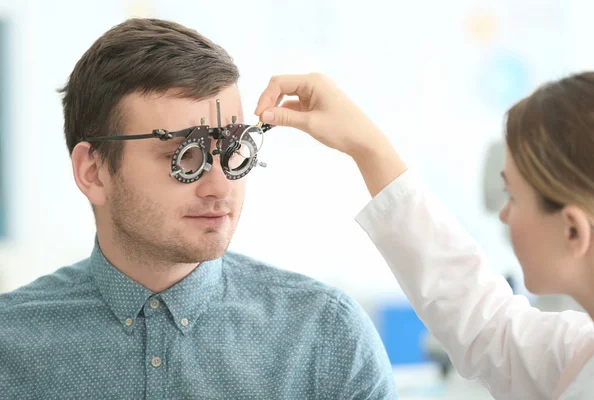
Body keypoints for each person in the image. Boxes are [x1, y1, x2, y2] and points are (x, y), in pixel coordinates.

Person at [0, 19, 399, 399]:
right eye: (183, 157)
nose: (220, 187)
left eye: (234, 152)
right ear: (94, 172)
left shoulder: (325, 337)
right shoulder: (10, 346)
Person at [254, 72, 594, 399]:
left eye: (513, 197)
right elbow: (491, 328)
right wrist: (367, 147)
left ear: (573, 230)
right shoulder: (583, 355)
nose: (504, 214)